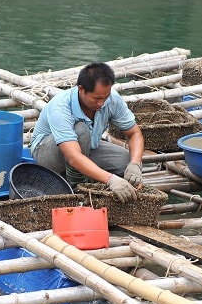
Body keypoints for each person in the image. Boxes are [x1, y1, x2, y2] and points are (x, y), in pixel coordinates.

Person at [30, 62, 145, 202]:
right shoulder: (60, 106)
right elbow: (73, 156)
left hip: (86, 148)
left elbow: (135, 134)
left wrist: (135, 164)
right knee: (80, 131)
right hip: (47, 153)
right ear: (81, 89)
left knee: (125, 161)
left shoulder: (112, 99)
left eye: (105, 97)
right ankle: (76, 187)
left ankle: (88, 174)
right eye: (96, 99)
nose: (101, 103)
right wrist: (111, 180)